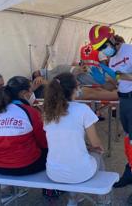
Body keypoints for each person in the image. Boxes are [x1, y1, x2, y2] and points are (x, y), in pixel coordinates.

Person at [89, 24, 132, 205]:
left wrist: (118, 76)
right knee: (128, 139)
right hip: (124, 100)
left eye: (103, 46)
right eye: (99, 48)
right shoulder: (113, 59)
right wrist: (101, 82)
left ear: (113, 39)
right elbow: (115, 85)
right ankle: (131, 172)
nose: (103, 50)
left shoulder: (131, 50)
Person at [43, 73, 105, 205]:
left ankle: (74, 199)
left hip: (53, 173)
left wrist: (87, 147)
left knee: (81, 155)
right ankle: (103, 200)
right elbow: (96, 143)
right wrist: (94, 148)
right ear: (73, 89)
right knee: (99, 155)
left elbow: (61, 139)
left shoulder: (48, 112)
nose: (79, 88)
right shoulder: (82, 109)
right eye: (78, 85)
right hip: (80, 173)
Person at [0, 76, 47, 175]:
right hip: (27, 165)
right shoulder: (29, 111)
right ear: (24, 94)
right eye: (31, 91)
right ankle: (50, 189)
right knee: (52, 152)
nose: (32, 94)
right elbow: (43, 141)